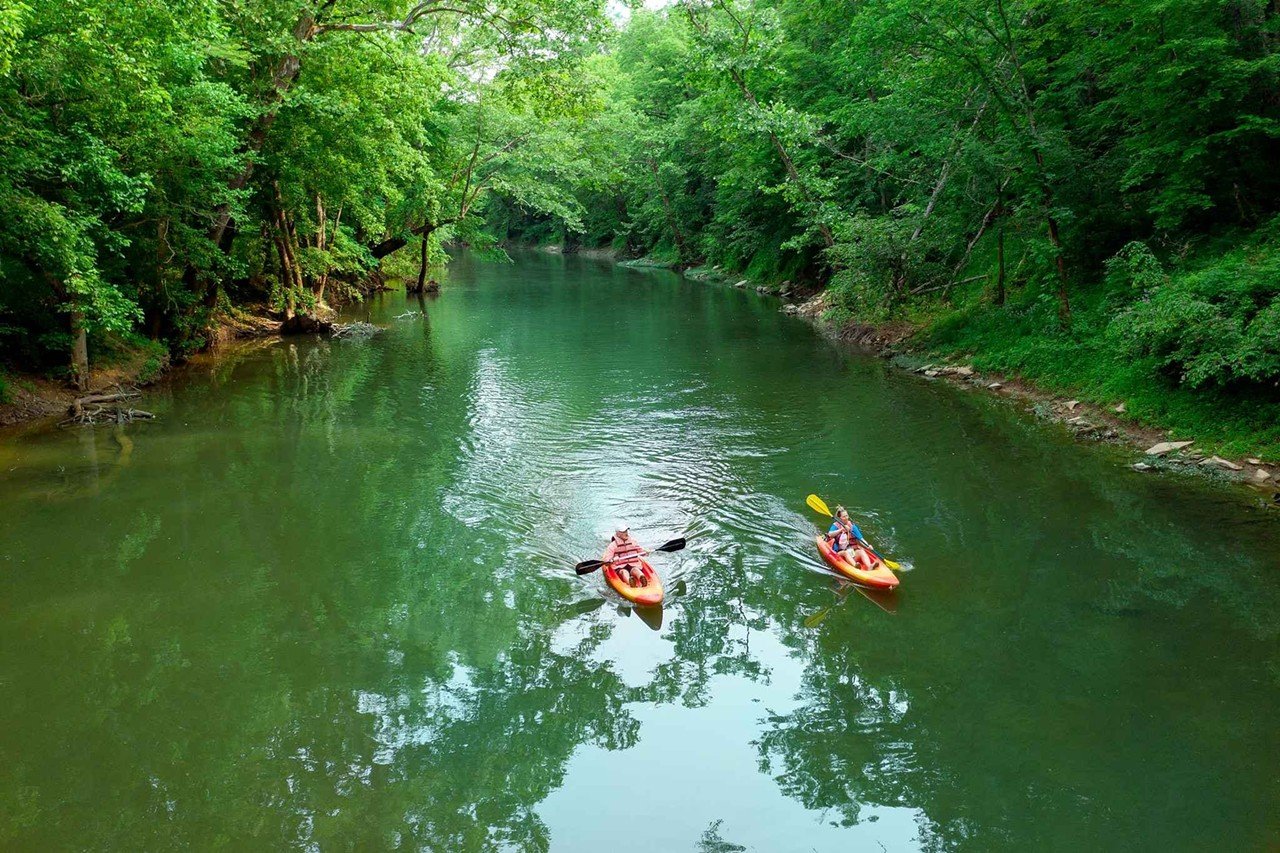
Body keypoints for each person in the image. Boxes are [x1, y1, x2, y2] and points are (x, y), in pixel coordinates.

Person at [826, 506, 878, 573]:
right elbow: (830, 534)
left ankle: (869, 566)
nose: (846, 518)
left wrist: (867, 546)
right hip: (840, 554)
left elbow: (861, 539)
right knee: (845, 553)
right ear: (839, 518)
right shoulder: (835, 526)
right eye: (844, 516)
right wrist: (841, 530)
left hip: (852, 552)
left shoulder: (852, 526)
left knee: (861, 551)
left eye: (847, 515)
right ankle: (855, 566)